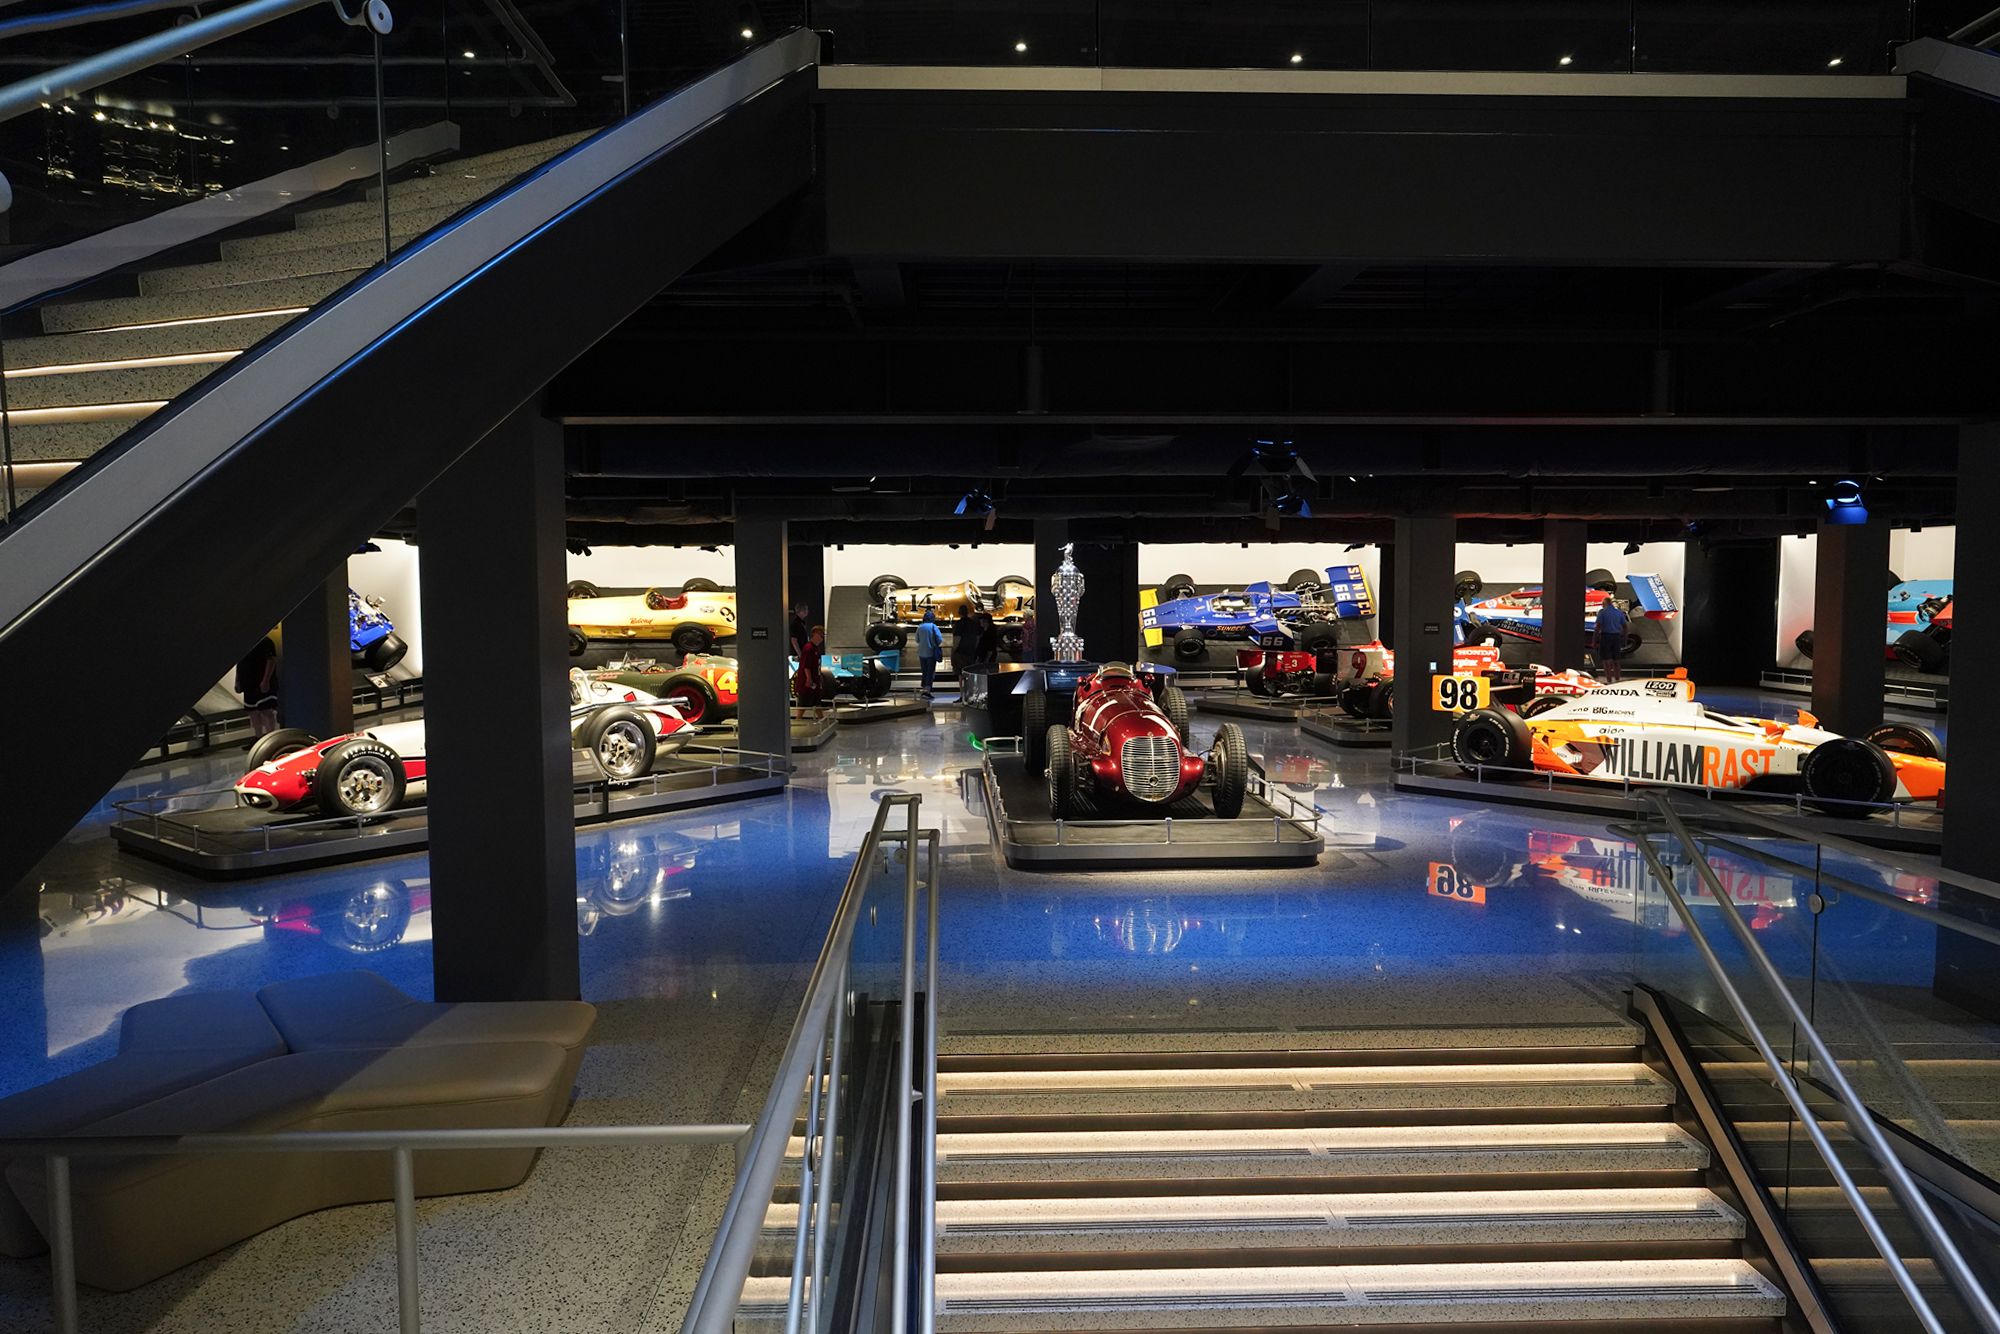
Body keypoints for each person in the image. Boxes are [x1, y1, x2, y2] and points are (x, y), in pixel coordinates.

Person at [235, 634, 280, 738]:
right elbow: (239, 662)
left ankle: (270, 738)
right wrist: (238, 681)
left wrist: (265, 681)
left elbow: (271, 660)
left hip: (261, 682)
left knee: (266, 710)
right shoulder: (242, 642)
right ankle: (258, 737)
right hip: (248, 683)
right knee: (252, 712)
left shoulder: (265, 641)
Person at [1593, 597, 1630, 683]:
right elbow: (1625, 626)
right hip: (1616, 637)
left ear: (1604, 604)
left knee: (1606, 660)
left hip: (1605, 637)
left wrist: (1594, 640)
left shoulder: (1602, 612)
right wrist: (1625, 638)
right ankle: (1617, 679)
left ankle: (1609, 680)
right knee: (1616, 660)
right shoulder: (1619, 612)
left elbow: (1598, 627)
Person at [914, 609, 944, 698]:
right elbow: (939, 639)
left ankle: (923, 688)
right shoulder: (933, 626)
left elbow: (917, 640)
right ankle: (927, 690)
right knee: (930, 672)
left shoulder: (920, 627)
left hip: (921, 653)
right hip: (931, 653)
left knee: (924, 671)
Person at [950, 609, 977, 679]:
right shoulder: (973, 623)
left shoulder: (958, 624)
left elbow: (956, 640)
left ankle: (962, 685)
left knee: (961, 673)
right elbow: (978, 636)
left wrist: (953, 652)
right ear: (967, 613)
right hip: (971, 651)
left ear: (959, 613)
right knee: (971, 672)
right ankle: (970, 685)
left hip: (961, 653)